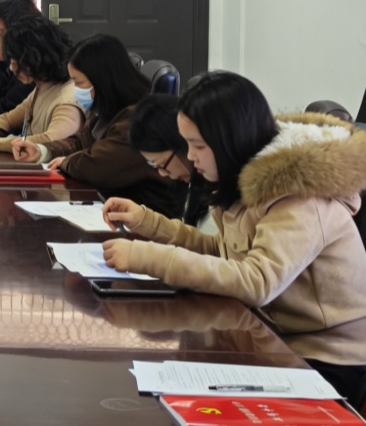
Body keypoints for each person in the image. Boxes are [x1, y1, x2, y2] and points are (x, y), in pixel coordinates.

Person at [101, 71, 366, 371]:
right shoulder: (241, 179)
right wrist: (148, 223)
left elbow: (258, 281)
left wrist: (150, 258)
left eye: (198, 145)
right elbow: (222, 251)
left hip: (327, 356)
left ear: (229, 138)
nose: (191, 156)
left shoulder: (300, 195)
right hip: (273, 336)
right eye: (187, 144)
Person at [11, 34, 179, 216]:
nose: (76, 90)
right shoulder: (107, 107)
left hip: (144, 215)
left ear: (102, 80)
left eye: (79, 82)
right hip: (112, 204)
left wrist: (67, 162)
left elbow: (99, 164)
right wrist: (42, 151)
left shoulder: (139, 118)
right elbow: (79, 141)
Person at [0, 15, 83, 153]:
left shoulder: (67, 99)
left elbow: (52, 142)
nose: (12, 67)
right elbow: (9, 118)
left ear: (38, 56)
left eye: (16, 59)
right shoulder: (43, 86)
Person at [127, 94, 212, 230]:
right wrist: (143, 219)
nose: (162, 173)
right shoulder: (189, 186)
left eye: (162, 164)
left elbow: (206, 242)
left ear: (182, 143)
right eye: (154, 166)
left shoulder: (219, 195)